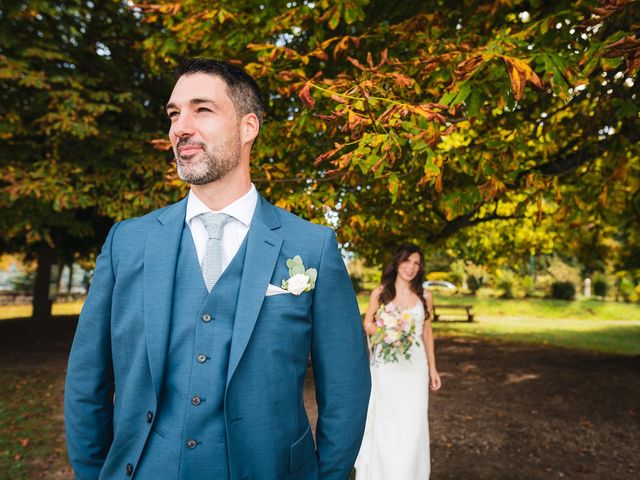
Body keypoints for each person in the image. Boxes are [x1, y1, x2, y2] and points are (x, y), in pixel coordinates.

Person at [64, 58, 371, 480]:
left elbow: (346, 388)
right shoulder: (127, 242)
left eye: (201, 109)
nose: (180, 127)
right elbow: (87, 379)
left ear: (248, 127)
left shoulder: (311, 246)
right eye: (174, 113)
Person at [355, 243, 442, 480]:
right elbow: (368, 323)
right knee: (387, 424)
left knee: (413, 426)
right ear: (397, 262)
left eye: (416, 263)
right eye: (407, 261)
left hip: (415, 369)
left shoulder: (425, 296)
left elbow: (426, 331)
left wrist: (433, 368)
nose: (411, 267)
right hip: (386, 371)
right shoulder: (381, 293)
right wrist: (387, 331)